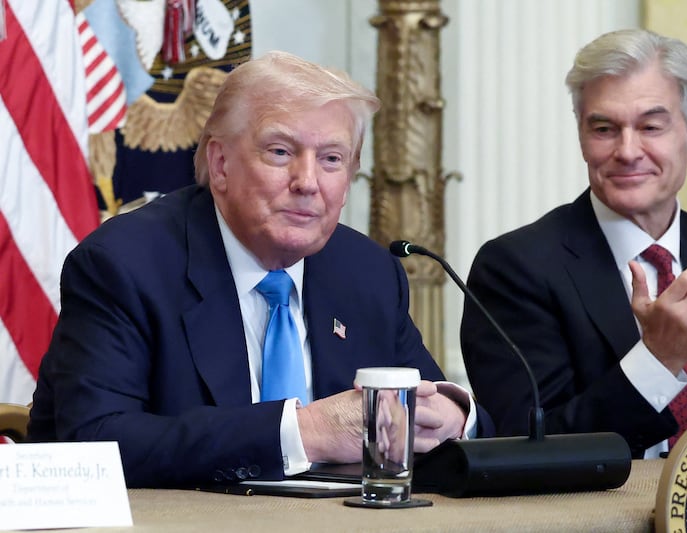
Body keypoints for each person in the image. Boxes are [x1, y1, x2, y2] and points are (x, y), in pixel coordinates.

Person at [28, 51, 492, 487]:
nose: (308, 182)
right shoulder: (125, 265)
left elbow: (428, 398)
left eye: (332, 159)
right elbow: (93, 444)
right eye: (280, 152)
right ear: (221, 163)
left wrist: (454, 414)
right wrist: (302, 432)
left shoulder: (366, 271)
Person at [460, 29, 687, 459]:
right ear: (581, 135)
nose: (627, 150)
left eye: (650, 126)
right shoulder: (516, 266)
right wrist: (659, 358)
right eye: (604, 128)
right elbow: (529, 445)